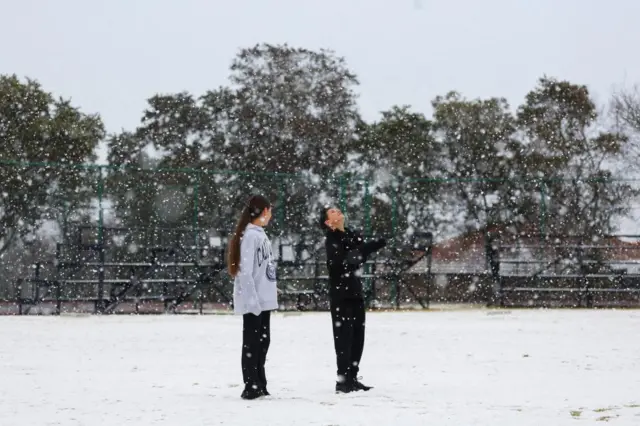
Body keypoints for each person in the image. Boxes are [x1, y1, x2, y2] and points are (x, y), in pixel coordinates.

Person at [320, 206, 386, 394]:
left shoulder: (350, 235)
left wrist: (370, 246)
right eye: (332, 211)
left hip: (355, 292)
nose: (338, 211)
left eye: (338, 209)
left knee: (358, 337)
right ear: (327, 222)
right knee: (344, 338)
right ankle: (343, 380)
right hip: (341, 296)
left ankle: (352, 377)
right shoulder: (331, 239)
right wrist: (367, 248)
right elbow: (346, 261)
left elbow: (357, 258)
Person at [227, 195, 278, 400]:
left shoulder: (260, 234)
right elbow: (245, 271)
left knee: (263, 341)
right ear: (265, 211)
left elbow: (262, 267)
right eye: (270, 211)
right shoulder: (249, 236)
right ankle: (251, 385)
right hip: (254, 301)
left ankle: (260, 381)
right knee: (252, 342)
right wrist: (252, 301)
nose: (271, 215)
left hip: (263, 299)